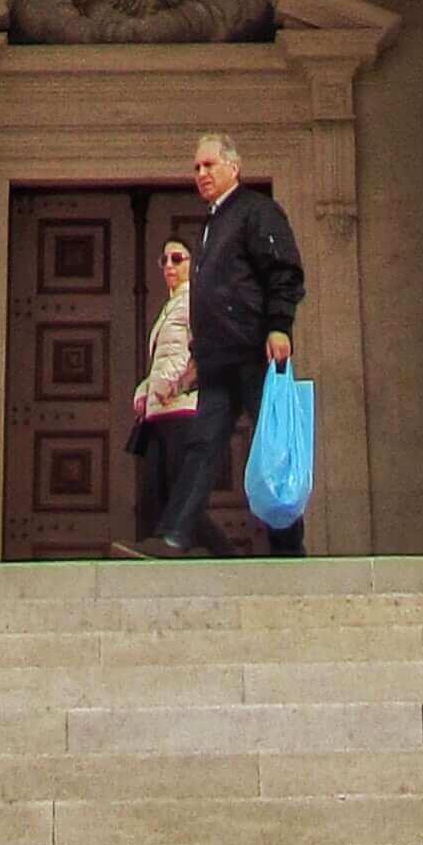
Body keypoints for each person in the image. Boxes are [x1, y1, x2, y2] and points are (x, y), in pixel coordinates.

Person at [117, 131, 305, 558]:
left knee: (271, 445)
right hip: (218, 360)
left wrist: (279, 326)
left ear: (233, 168)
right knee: (202, 446)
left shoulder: (257, 212)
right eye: (196, 167)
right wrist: (197, 359)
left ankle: (289, 547)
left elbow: (284, 270)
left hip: (255, 351)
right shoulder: (212, 225)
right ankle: (174, 536)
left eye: (209, 165)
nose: (201, 173)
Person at [125, 234, 196, 540]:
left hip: (181, 411)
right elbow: (163, 360)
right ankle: (155, 549)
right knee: (154, 493)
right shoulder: (170, 307)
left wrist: (175, 384)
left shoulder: (197, 301)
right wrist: (144, 390)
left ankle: (230, 557)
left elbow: (203, 352)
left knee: (180, 496)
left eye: (177, 259)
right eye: (164, 260)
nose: (169, 265)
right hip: (158, 413)